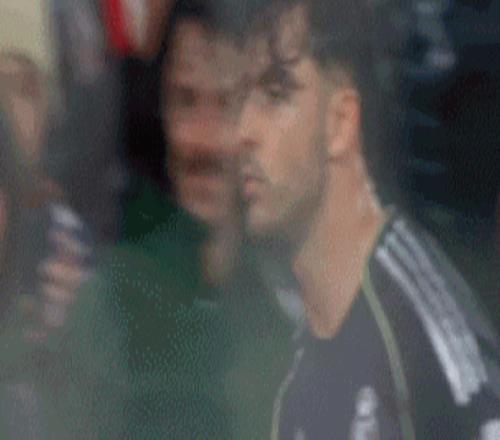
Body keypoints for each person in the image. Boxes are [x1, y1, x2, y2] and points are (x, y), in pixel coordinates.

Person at [234, 1, 500, 438]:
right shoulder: (294, 374)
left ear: (341, 122)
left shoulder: (419, 334)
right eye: (242, 98)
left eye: (276, 95)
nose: (243, 130)